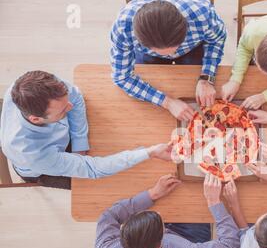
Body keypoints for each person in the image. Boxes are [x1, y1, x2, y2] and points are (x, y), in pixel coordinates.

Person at [0, 70, 172, 189]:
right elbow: (93, 169)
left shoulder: (37, 84)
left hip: (63, 140)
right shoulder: (32, 154)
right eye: (62, 110)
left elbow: (76, 97)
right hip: (43, 167)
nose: (70, 106)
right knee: (105, 188)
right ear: (36, 119)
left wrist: (80, 144)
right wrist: (150, 152)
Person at [95, 173, 240, 248]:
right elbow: (231, 245)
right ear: (160, 244)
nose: (158, 212)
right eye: (162, 225)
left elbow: (108, 216)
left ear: (122, 239)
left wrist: (152, 194)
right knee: (196, 206)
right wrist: (214, 201)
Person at [111, 0, 227, 121]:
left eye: (174, 48)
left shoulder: (203, 15)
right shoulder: (123, 27)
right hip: (148, 56)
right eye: (161, 51)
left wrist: (206, 78)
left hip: (191, 50)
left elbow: (217, 40)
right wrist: (167, 102)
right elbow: (122, 77)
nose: (171, 55)